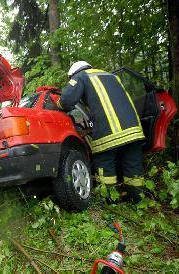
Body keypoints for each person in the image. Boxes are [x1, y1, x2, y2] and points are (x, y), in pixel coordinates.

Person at [58, 61, 146, 203]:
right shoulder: (111, 76)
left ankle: (110, 200)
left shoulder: (80, 76)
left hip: (109, 132)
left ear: (73, 74)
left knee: (105, 165)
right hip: (134, 130)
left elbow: (66, 101)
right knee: (133, 167)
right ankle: (138, 201)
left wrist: (59, 105)